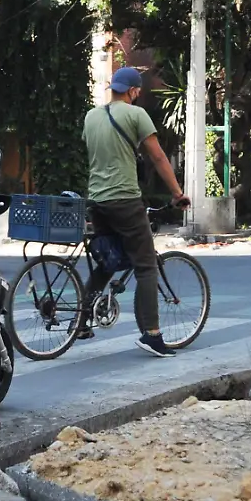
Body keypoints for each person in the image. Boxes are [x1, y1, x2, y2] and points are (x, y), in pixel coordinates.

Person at [79, 66, 191, 357]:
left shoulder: (91, 117)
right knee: (145, 266)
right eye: (137, 92)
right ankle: (152, 335)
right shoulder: (136, 115)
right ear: (132, 91)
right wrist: (177, 193)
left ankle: (80, 321)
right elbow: (157, 156)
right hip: (125, 200)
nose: (137, 96)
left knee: (107, 262)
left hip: (97, 201)